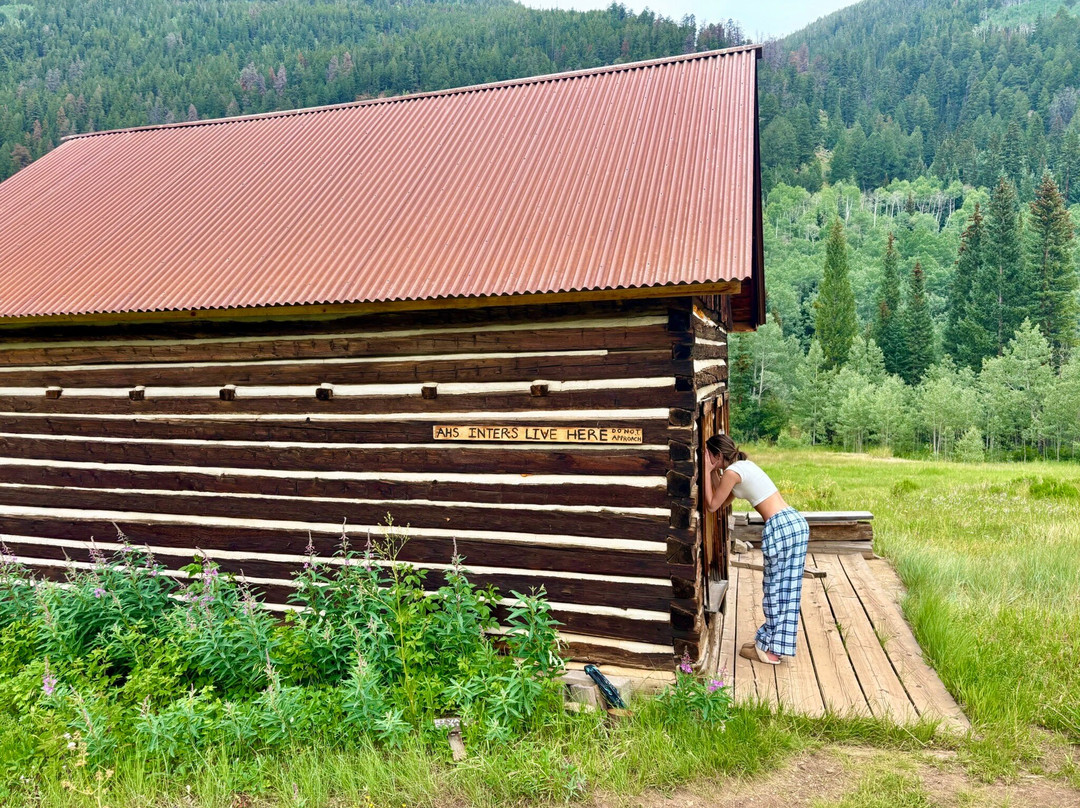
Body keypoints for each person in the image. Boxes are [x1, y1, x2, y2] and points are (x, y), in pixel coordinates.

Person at [703, 435, 809, 665]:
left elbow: (711, 504)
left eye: (708, 455)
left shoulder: (732, 473)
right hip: (794, 522)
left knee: (775, 590)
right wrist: (712, 470)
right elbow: (721, 501)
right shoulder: (742, 467)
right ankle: (770, 644)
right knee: (786, 589)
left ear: (717, 455)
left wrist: (705, 468)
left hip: (780, 526)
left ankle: (770, 652)